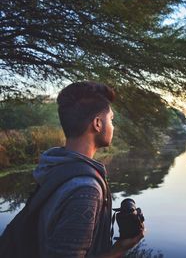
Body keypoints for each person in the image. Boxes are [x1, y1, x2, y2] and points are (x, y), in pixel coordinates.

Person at [33, 81, 144, 258]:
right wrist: (120, 248)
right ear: (98, 123)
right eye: (111, 120)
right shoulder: (86, 189)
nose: (113, 127)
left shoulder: (54, 166)